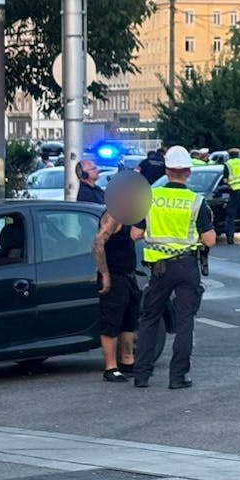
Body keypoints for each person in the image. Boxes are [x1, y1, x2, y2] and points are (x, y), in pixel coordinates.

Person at [133, 146, 216, 390]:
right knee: (184, 322)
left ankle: (141, 375)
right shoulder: (196, 202)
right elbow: (210, 240)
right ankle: (178, 377)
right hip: (187, 266)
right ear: (188, 172)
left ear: (167, 170)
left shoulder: (150, 197)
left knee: (149, 319)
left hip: (158, 269)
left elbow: (134, 233)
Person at [81, 160, 146, 382]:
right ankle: (110, 367)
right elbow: (98, 242)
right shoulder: (113, 215)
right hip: (115, 275)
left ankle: (127, 361)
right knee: (112, 322)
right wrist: (105, 274)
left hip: (128, 274)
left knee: (129, 320)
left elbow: (135, 236)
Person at [219, 147, 240, 244]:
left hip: (235, 191)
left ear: (229, 155)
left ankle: (230, 238)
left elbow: (225, 179)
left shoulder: (228, 164)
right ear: (238, 155)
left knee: (231, 215)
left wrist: (228, 184)